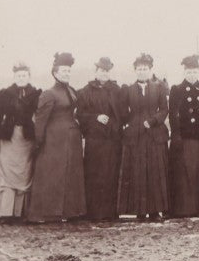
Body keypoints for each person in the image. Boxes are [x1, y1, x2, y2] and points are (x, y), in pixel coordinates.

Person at [26, 52, 87, 222]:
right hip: (55, 140)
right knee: (55, 174)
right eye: (63, 71)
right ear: (55, 73)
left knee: (70, 174)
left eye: (68, 71)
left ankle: (71, 211)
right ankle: (50, 212)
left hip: (72, 138)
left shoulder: (71, 91)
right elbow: (40, 120)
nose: (66, 73)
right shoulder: (49, 94)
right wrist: (38, 142)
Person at [0, 61, 40, 221]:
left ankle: (20, 212)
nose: (21, 78)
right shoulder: (6, 93)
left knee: (25, 172)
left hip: (27, 139)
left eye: (24, 75)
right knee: (6, 173)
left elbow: (39, 115)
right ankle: (5, 212)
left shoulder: (36, 93)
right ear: (14, 76)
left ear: (29, 76)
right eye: (18, 75)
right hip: (9, 137)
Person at [118, 53, 170, 221]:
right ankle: (140, 210)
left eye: (145, 69)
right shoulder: (128, 89)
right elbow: (123, 111)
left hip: (154, 135)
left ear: (150, 70)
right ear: (135, 70)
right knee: (138, 171)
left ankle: (155, 210)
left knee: (155, 171)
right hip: (136, 136)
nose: (142, 71)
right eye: (139, 69)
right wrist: (129, 122)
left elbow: (164, 109)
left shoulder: (159, 88)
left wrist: (153, 121)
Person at [76, 56, 125, 220]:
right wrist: (96, 117)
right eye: (102, 70)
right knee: (95, 174)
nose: (104, 74)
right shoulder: (86, 91)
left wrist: (114, 123)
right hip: (95, 140)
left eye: (107, 71)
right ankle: (94, 212)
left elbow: (124, 113)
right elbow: (81, 115)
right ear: (96, 71)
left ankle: (111, 212)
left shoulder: (117, 90)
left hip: (112, 139)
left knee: (111, 174)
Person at [168, 55, 199, 218]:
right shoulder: (176, 89)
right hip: (186, 138)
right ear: (184, 72)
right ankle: (186, 208)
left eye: (194, 71)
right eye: (188, 72)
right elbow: (173, 114)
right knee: (186, 173)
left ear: (198, 72)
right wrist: (176, 135)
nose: (191, 75)